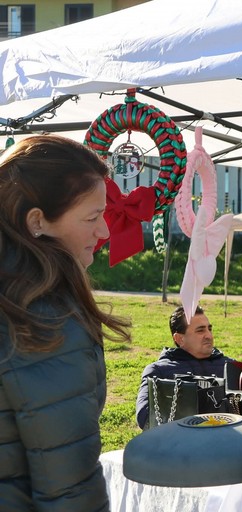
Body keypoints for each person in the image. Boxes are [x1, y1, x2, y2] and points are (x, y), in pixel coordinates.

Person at [0, 135, 132, 510]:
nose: (104, 231)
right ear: (37, 221)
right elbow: (68, 485)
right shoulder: (42, 317)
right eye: (91, 217)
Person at [135, 305, 234, 429]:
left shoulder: (232, 366)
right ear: (179, 338)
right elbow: (145, 418)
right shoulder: (159, 372)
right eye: (200, 330)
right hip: (180, 439)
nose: (209, 335)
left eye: (209, 329)